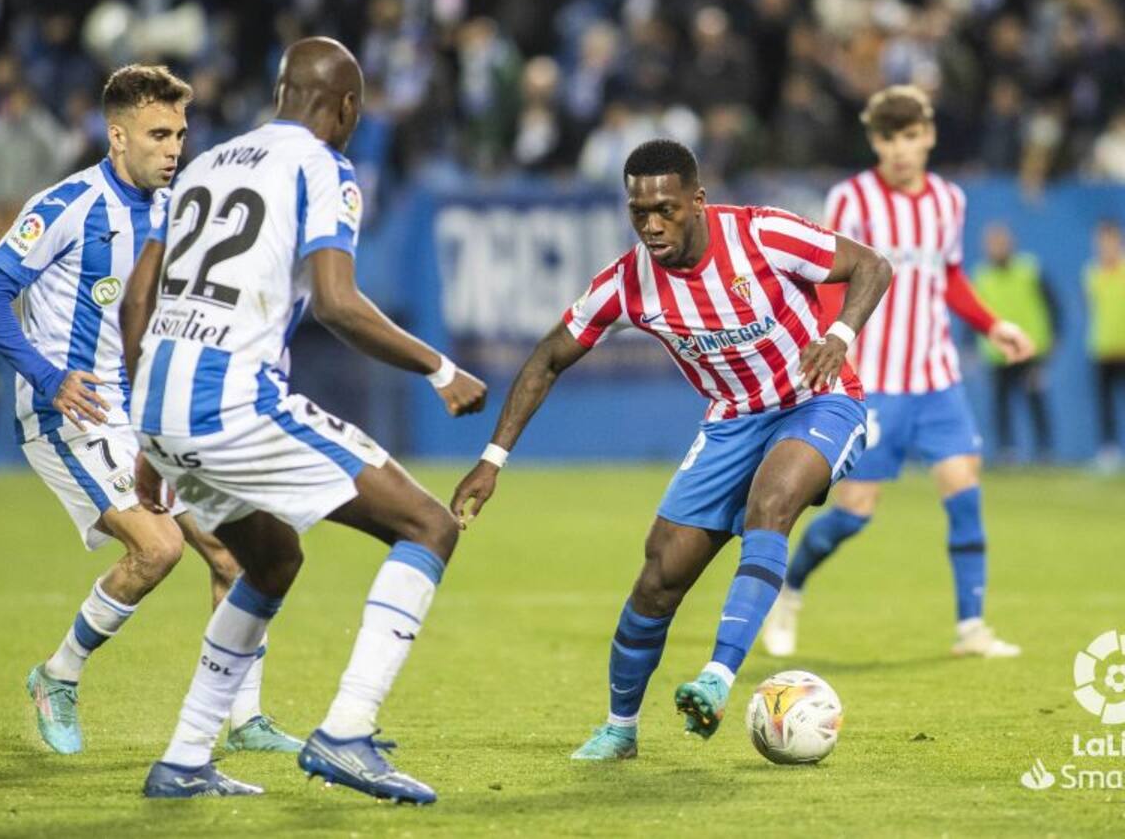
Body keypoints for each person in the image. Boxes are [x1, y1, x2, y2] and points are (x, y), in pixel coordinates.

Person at [121, 37, 487, 802]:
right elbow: (336, 303)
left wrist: (149, 432)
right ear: (346, 106)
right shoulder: (323, 167)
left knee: (273, 561)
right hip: (231, 399)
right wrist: (440, 368)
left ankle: (185, 758)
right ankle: (348, 731)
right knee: (428, 526)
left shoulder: (202, 165)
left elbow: (138, 300)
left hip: (160, 399)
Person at [450, 138, 891, 761]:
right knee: (659, 577)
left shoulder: (763, 234)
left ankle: (717, 677)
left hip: (818, 400)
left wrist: (839, 335)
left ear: (697, 200)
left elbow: (872, 266)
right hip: (730, 423)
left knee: (771, 505)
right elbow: (548, 357)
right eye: (639, 213)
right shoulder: (628, 283)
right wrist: (492, 459)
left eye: (666, 210)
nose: (652, 225)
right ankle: (620, 728)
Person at [0, 65, 300, 756]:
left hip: (150, 413)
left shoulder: (181, 210)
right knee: (159, 546)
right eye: (157, 135)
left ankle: (245, 718)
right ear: (117, 137)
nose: (173, 149)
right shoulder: (68, 206)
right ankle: (57, 676)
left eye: (179, 134)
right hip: (72, 412)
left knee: (238, 554)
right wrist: (49, 377)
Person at [764, 85, 1034, 661]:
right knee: (854, 512)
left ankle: (971, 627)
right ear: (874, 141)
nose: (901, 149)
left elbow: (949, 276)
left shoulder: (949, 200)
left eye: (911, 136)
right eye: (889, 138)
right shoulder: (852, 198)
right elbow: (831, 280)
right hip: (876, 382)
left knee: (964, 491)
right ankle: (790, 589)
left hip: (937, 378)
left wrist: (993, 325)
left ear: (929, 136)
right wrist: (840, 347)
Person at [973, 223, 1059, 462]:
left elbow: (1052, 304)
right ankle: (1006, 450)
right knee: (1001, 404)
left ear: (1011, 243)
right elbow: (974, 312)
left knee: (1035, 401)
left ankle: (1045, 450)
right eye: (992, 243)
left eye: (1001, 242)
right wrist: (970, 344)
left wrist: (1054, 336)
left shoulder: (1029, 269)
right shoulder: (982, 276)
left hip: (1030, 350)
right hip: (998, 353)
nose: (997, 248)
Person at [1085, 220, 1125, 471]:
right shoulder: (1091, 273)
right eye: (1101, 242)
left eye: (1111, 241)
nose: (1106, 247)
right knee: (1105, 405)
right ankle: (1109, 452)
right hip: (1102, 349)